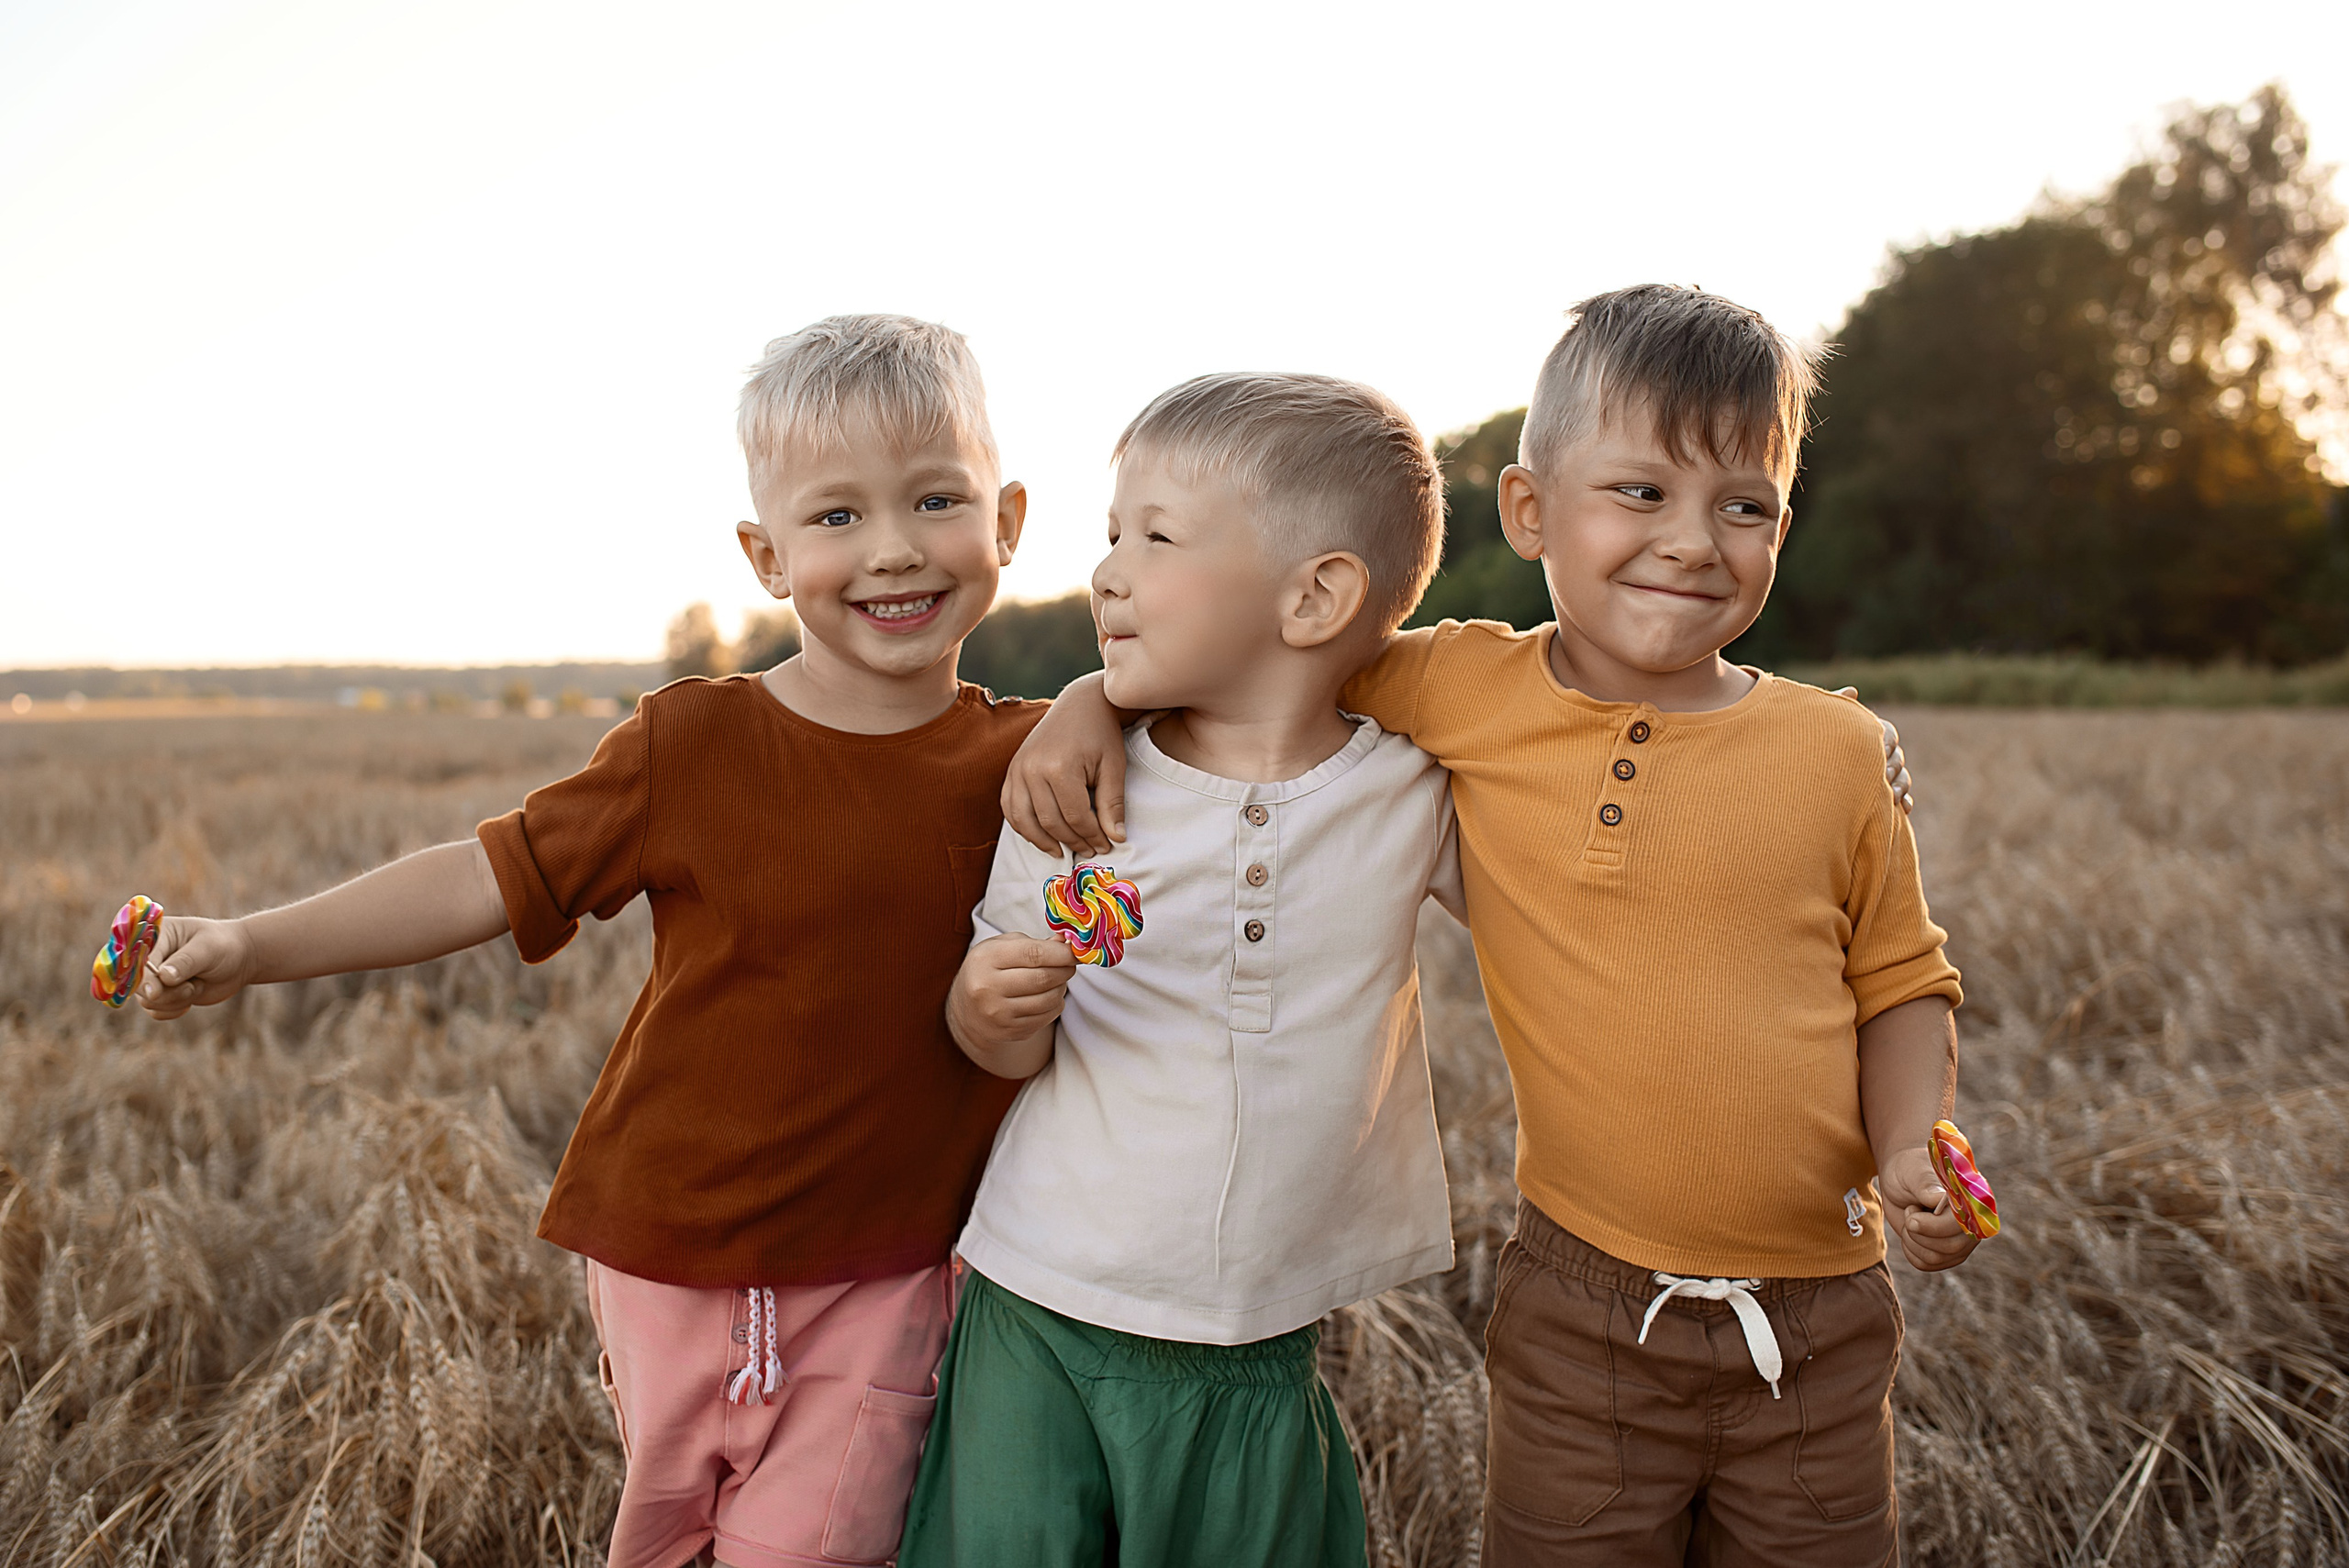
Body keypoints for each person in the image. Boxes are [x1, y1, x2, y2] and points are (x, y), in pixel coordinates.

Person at [1006, 285, 1978, 1565]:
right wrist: (1089, 696)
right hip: (1587, 1308)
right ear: (1529, 510)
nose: (1693, 540)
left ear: (1781, 528)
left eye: (1741, 506)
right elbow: (1254, 643)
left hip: (1822, 1310)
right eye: (1640, 492)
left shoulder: (1838, 750)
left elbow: (1902, 981)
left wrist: (1915, 1143)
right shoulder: (1459, 683)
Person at [129, 315, 1047, 1568]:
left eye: (935, 499)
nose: (892, 548)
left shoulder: (1035, 763)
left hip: (888, 1273)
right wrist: (246, 941)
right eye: (835, 517)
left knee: (816, 1550)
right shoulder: (693, 744)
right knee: (661, 1539)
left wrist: (1102, 697)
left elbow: (1228, 724)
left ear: (1007, 521)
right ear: (765, 556)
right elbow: (491, 873)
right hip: (664, 1252)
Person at [896, 373, 1464, 1568]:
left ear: (1315, 595)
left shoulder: (1413, 794)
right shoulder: (1075, 789)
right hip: (1036, 1297)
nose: (1107, 570)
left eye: (1155, 537)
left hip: (1254, 1330)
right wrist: (985, 1008)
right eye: (1112, 534)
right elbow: (1000, 1031)